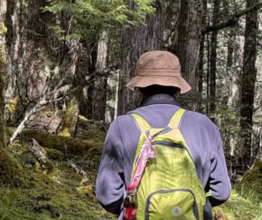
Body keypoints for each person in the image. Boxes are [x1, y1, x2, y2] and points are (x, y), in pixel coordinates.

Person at [95, 50, 231, 219]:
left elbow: (107, 196)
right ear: (177, 87)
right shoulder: (204, 126)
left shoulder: (121, 126)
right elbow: (222, 192)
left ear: (140, 88)